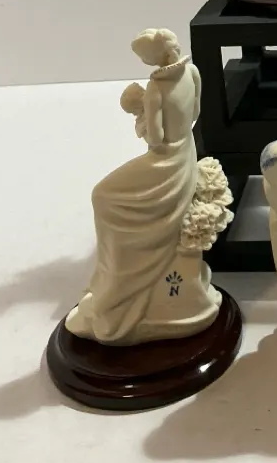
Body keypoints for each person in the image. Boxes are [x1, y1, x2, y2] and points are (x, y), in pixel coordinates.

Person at [65, 29, 202, 344]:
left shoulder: (155, 89)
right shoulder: (192, 72)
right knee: (110, 196)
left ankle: (120, 275)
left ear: (155, 56)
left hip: (164, 162)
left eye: (144, 58)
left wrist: (141, 116)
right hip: (186, 154)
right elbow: (194, 113)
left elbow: (156, 138)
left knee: (103, 196)